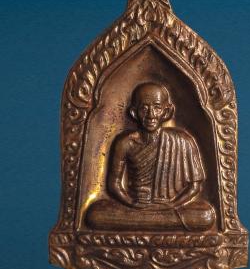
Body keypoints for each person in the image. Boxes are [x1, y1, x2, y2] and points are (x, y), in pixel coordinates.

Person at [85, 82, 215, 231]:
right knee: (95, 214)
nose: (151, 114)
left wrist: (171, 204)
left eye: (157, 108)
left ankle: (152, 221)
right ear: (134, 112)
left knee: (204, 216)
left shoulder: (183, 141)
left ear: (167, 112)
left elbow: (195, 186)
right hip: (136, 208)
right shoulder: (125, 143)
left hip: (171, 209)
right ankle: (157, 222)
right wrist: (131, 201)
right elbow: (113, 184)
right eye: (144, 108)